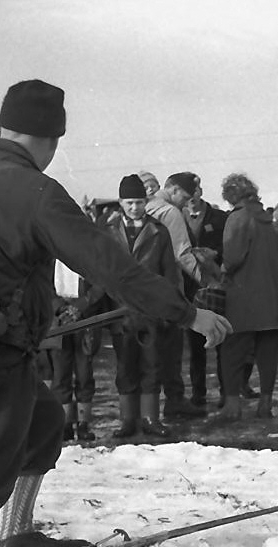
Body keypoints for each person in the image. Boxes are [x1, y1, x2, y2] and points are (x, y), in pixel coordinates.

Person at [0, 79, 230, 547]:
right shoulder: (34, 191)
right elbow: (108, 265)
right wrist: (186, 314)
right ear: (50, 137)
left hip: (2, 355)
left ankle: (16, 540)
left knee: (43, 426)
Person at [98, 173, 182, 440]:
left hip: (150, 310)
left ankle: (150, 418)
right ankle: (127, 419)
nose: (135, 208)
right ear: (120, 202)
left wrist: (171, 306)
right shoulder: (109, 232)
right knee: (124, 366)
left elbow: (170, 272)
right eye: (129, 203)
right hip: (120, 310)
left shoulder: (159, 231)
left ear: (146, 201)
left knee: (151, 365)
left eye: (139, 202)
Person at [215, 172, 278, 423]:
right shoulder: (269, 220)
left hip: (243, 298)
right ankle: (265, 403)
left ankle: (232, 405)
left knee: (232, 350)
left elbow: (232, 259)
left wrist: (216, 268)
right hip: (272, 297)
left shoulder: (238, 218)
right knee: (268, 352)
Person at [143, 171, 208, 421]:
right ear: (173, 190)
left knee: (150, 351)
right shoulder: (170, 212)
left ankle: (149, 408)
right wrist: (205, 280)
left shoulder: (145, 207)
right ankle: (175, 400)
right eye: (185, 196)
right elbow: (182, 254)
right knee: (171, 348)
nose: (186, 202)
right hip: (169, 289)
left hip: (145, 289)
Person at [182, 174, 227, 408]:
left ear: (201, 191)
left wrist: (213, 254)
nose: (192, 197)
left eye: (195, 190)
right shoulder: (176, 217)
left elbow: (225, 245)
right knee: (195, 345)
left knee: (220, 339)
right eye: (188, 192)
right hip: (190, 289)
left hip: (214, 287)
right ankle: (198, 393)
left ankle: (225, 392)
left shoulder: (219, 218)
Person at [48, 259, 101, 442]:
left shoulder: (87, 248)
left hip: (85, 319)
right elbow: (41, 282)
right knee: (60, 374)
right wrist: (60, 308)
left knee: (84, 373)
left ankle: (83, 422)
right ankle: (64, 423)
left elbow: (100, 282)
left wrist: (80, 307)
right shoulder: (47, 250)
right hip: (57, 321)